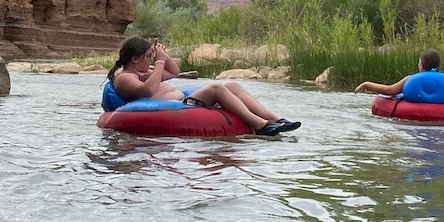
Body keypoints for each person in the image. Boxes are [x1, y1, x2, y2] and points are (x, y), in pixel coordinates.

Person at [106, 36, 300, 136]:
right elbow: (147, 90)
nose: (152, 60)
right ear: (135, 58)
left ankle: (276, 119)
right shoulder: (125, 77)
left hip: (182, 102)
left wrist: (162, 56)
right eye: (148, 56)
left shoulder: (145, 72)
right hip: (180, 106)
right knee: (216, 89)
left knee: (231, 84)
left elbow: (173, 71)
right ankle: (259, 125)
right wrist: (159, 63)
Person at [354, 49, 444, 99]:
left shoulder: (411, 79)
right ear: (438, 65)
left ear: (421, 65)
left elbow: (389, 91)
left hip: (417, 106)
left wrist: (366, 84)